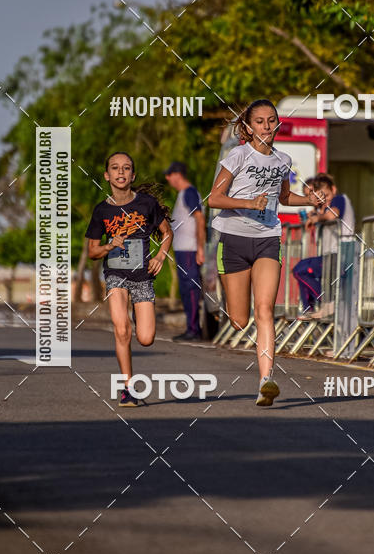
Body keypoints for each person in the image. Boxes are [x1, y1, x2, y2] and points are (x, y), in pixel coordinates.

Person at [208, 99, 324, 407]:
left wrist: (311, 201)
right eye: (260, 121)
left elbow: (284, 197)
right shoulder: (238, 155)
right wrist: (248, 204)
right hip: (233, 240)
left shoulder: (282, 159)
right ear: (248, 127)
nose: (267, 127)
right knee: (239, 320)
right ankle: (230, 297)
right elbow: (214, 199)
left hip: (267, 239)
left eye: (271, 120)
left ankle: (265, 382)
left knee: (265, 310)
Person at [85, 152, 173, 407]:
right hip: (115, 275)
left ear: (132, 175)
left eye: (126, 168)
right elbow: (92, 251)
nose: (121, 172)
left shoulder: (146, 204)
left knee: (145, 338)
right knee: (121, 330)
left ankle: (137, 314)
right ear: (107, 175)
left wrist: (160, 256)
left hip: (142, 276)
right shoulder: (101, 211)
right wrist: (110, 246)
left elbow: (167, 233)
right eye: (115, 168)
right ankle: (128, 388)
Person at [292, 173, 355, 318]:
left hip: (341, 253)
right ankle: (311, 308)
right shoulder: (326, 205)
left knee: (300, 270)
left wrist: (318, 217)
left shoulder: (339, 199)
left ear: (333, 190)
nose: (324, 199)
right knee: (300, 270)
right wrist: (316, 213)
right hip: (331, 253)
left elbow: (333, 215)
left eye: (326, 195)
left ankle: (329, 303)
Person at [164, 161, 205, 342]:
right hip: (184, 250)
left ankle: (194, 329)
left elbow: (200, 219)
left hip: (190, 249)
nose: (168, 180)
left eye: (169, 175)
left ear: (177, 175)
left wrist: (200, 249)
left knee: (190, 288)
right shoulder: (183, 194)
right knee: (185, 289)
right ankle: (191, 327)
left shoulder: (189, 193)